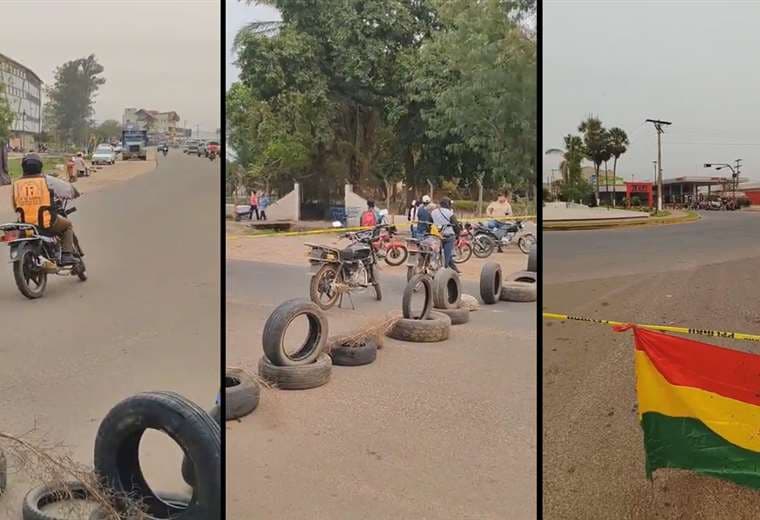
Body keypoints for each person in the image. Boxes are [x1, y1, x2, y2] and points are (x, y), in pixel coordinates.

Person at [13, 154, 78, 265]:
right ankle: (67, 255)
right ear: (40, 166)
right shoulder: (47, 180)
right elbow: (69, 191)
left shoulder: (16, 184)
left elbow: (15, 205)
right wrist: (75, 193)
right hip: (47, 224)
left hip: (25, 225)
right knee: (68, 226)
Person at [431, 197, 462, 273]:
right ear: (448, 204)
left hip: (436, 236)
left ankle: (454, 269)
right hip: (448, 237)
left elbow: (430, 223)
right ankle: (443, 271)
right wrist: (458, 235)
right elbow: (456, 225)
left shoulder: (433, 212)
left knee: (435, 255)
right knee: (447, 256)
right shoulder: (450, 213)